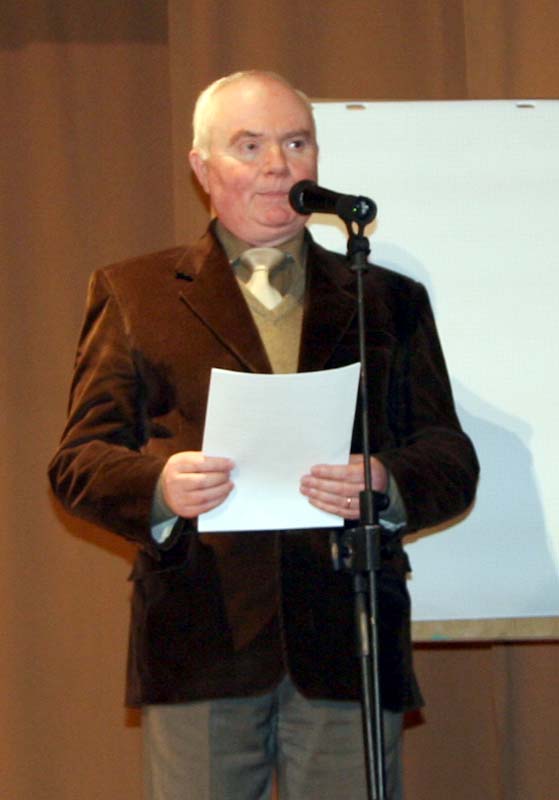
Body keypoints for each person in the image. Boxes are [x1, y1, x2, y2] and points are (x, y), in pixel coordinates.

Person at [49, 70, 479, 800]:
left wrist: (384, 481)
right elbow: (79, 462)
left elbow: (448, 455)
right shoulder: (135, 293)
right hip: (199, 636)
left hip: (349, 635)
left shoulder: (386, 297)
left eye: (295, 142)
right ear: (202, 168)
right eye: (249, 146)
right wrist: (159, 486)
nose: (279, 165)